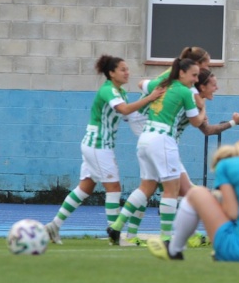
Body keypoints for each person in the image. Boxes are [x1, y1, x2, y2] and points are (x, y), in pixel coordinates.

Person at [44, 55, 165, 244]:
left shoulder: (121, 92)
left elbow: (130, 116)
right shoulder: (109, 91)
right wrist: (150, 97)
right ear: (111, 73)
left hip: (96, 144)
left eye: (127, 69)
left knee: (85, 187)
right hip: (98, 145)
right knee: (114, 187)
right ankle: (114, 236)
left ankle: (54, 226)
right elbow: (125, 110)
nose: (127, 73)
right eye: (123, 69)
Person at [124, 67, 239, 245]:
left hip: (159, 141)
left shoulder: (193, 98)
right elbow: (199, 124)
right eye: (213, 85)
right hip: (162, 142)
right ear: (201, 86)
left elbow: (206, 129)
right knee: (185, 191)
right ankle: (206, 230)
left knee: (155, 188)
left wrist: (232, 123)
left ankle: (128, 233)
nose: (216, 88)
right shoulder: (189, 97)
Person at [148, 138, 239, 263]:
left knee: (197, 193)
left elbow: (232, 213)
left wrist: (217, 201)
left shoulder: (226, 165)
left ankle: (174, 250)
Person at [106, 57, 205, 245]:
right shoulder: (185, 92)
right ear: (182, 73)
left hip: (145, 138)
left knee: (146, 187)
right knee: (171, 189)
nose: (196, 80)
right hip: (163, 139)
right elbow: (196, 122)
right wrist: (202, 110)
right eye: (194, 75)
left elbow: (142, 83)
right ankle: (167, 238)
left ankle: (117, 226)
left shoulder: (161, 84)